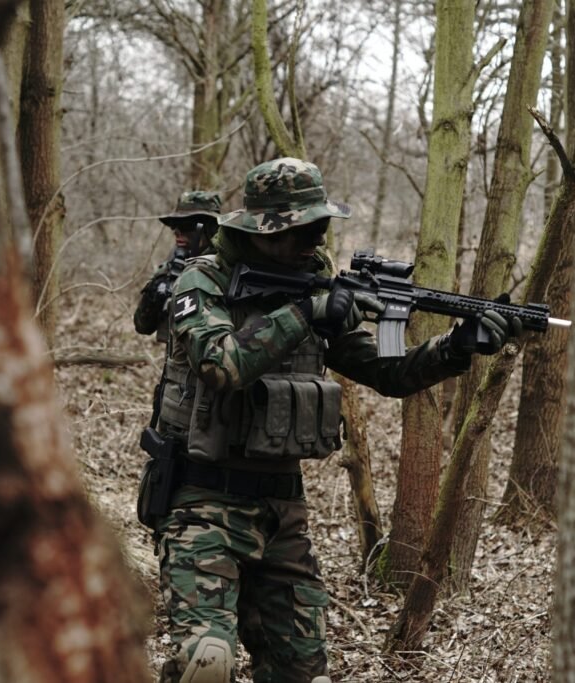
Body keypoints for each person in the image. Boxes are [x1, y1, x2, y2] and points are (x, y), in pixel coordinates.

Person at [153, 158, 520, 683]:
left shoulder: (314, 284)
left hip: (281, 510)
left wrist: (458, 346)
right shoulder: (202, 280)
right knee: (205, 665)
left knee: (302, 669)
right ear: (266, 229)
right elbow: (219, 363)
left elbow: (387, 372)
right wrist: (307, 313)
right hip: (200, 505)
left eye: (319, 227)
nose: (313, 239)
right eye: (302, 229)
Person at [134, 190, 222, 341]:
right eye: (175, 225)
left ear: (210, 228)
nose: (177, 232)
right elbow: (142, 326)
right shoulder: (172, 268)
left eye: (187, 225)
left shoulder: (230, 267)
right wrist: (156, 295)